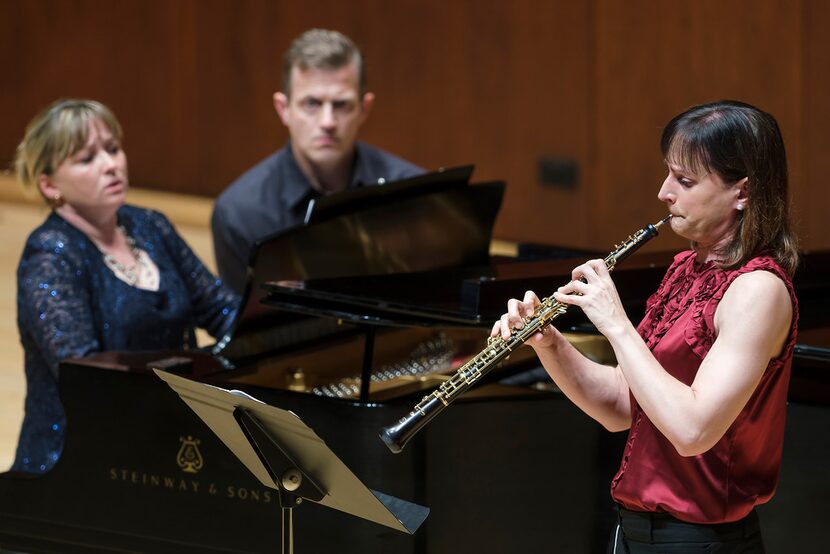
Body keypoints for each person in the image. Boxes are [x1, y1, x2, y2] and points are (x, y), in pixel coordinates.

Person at [492, 100, 798, 552]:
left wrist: (616, 323)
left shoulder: (759, 291)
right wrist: (548, 342)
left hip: (700, 542)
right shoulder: (685, 268)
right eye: (668, 173)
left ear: (743, 192)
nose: (664, 192)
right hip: (635, 532)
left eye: (685, 180)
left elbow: (694, 431)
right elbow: (620, 406)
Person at [12, 99, 240, 474]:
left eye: (113, 149)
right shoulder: (51, 256)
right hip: (81, 460)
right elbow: (84, 376)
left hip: (169, 432)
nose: (110, 165)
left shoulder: (151, 225)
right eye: (87, 159)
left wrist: (276, 332)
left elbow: (220, 308)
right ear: (50, 185)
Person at [211, 28, 424, 293]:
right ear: (284, 109)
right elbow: (246, 331)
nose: (327, 122)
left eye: (341, 104)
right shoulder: (240, 213)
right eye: (311, 103)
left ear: (364, 109)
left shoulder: (415, 195)